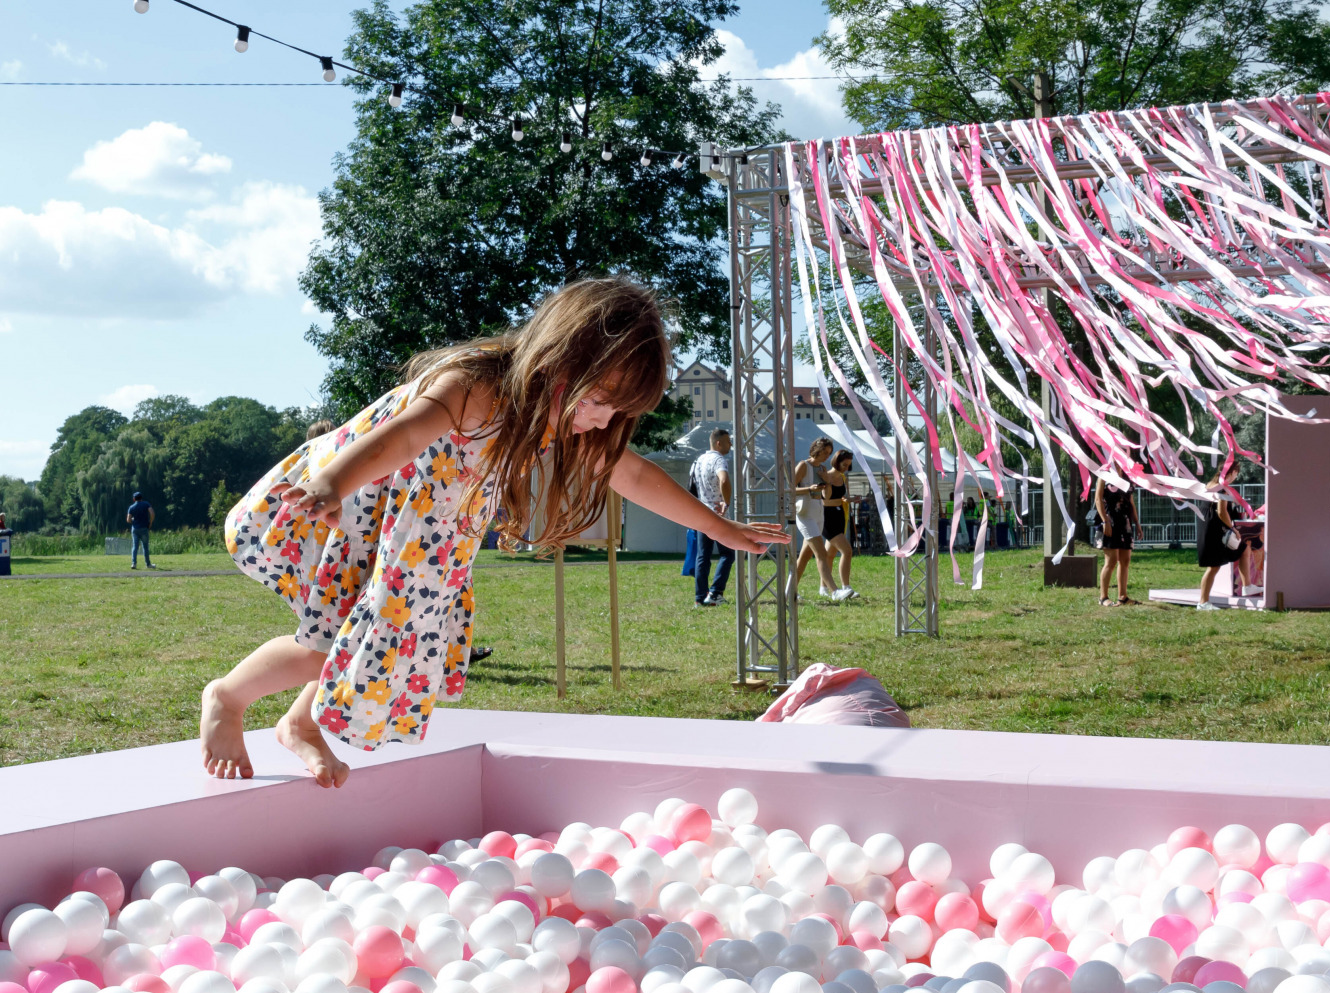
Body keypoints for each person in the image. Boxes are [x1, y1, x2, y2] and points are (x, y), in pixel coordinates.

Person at [199, 278, 789, 785]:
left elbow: (631, 474)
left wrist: (720, 526)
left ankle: (301, 722)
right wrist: (332, 482)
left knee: (372, 637)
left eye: (617, 414)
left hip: (427, 544)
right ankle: (227, 697)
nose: (603, 421)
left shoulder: (558, 418)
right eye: (602, 401)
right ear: (563, 357)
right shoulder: (478, 385)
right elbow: (405, 434)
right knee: (329, 642)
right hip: (367, 509)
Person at [690, 429, 736, 607]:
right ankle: (716, 592)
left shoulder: (700, 460)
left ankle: (699, 598)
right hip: (718, 514)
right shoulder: (718, 459)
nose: (730, 444)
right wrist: (726, 502)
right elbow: (724, 480)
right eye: (728, 441)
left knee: (703, 556)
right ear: (718, 443)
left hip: (702, 512)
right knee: (728, 554)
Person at [791, 437, 836, 598]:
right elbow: (788, 489)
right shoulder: (804, 465)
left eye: (829, 453)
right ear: (816, 449)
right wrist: (809, 488)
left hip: (818, 512)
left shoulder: (823, 469)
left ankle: (789, 591)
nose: (826, 456)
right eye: (824, 452)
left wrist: (827, 481)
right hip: (805, 513)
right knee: (821, 553)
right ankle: (834, 591)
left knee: (804, 557)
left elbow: (827, 496)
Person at [1196, 493, 1245, 611]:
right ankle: (1203, 602)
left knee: (1243, 549)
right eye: (1235, 474)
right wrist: (1233, 529)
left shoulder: (1213, 487)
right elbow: (1221, 512)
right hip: (1214, 530)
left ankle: (1247, 585)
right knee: (1213, 567)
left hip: (1209, 527)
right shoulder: (1223, 490)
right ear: (1232, 473)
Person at [821, 450, 859, 600]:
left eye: (848, 465)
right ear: (836, 461)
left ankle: (823, 588)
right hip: (827, 517)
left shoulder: (843, 478)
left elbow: (842, 497)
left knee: (829, 555)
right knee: (847, 551)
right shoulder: (826, 477)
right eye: (844, 464)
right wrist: (840, 500)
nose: (846, 468)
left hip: (839, 516)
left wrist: (850, 499)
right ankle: (846, 587)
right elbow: (825, 499)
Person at [1096, 479, 1139, 606]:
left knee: (1125, 560)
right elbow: (1098, 499)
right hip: (1109, 522)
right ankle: (1103, 597)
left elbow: (1130, 501)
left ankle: (1123, 597)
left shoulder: (1128, 475)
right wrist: (1105, 521)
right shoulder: (1104, 475)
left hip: (1125, 523)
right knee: (1111, 561)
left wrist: (1137, 522)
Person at [126, 491, 154, 569]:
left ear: (134, 499)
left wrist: (132, 520)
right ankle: (148, 564)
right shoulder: (146, 504)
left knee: (135, 547)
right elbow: (152, 513)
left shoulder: (131, 507)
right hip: (144, 528)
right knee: (145, 547)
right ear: (141, 498)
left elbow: (128, 519)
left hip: (135, 529)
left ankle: (134, 563)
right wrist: (150, 522)